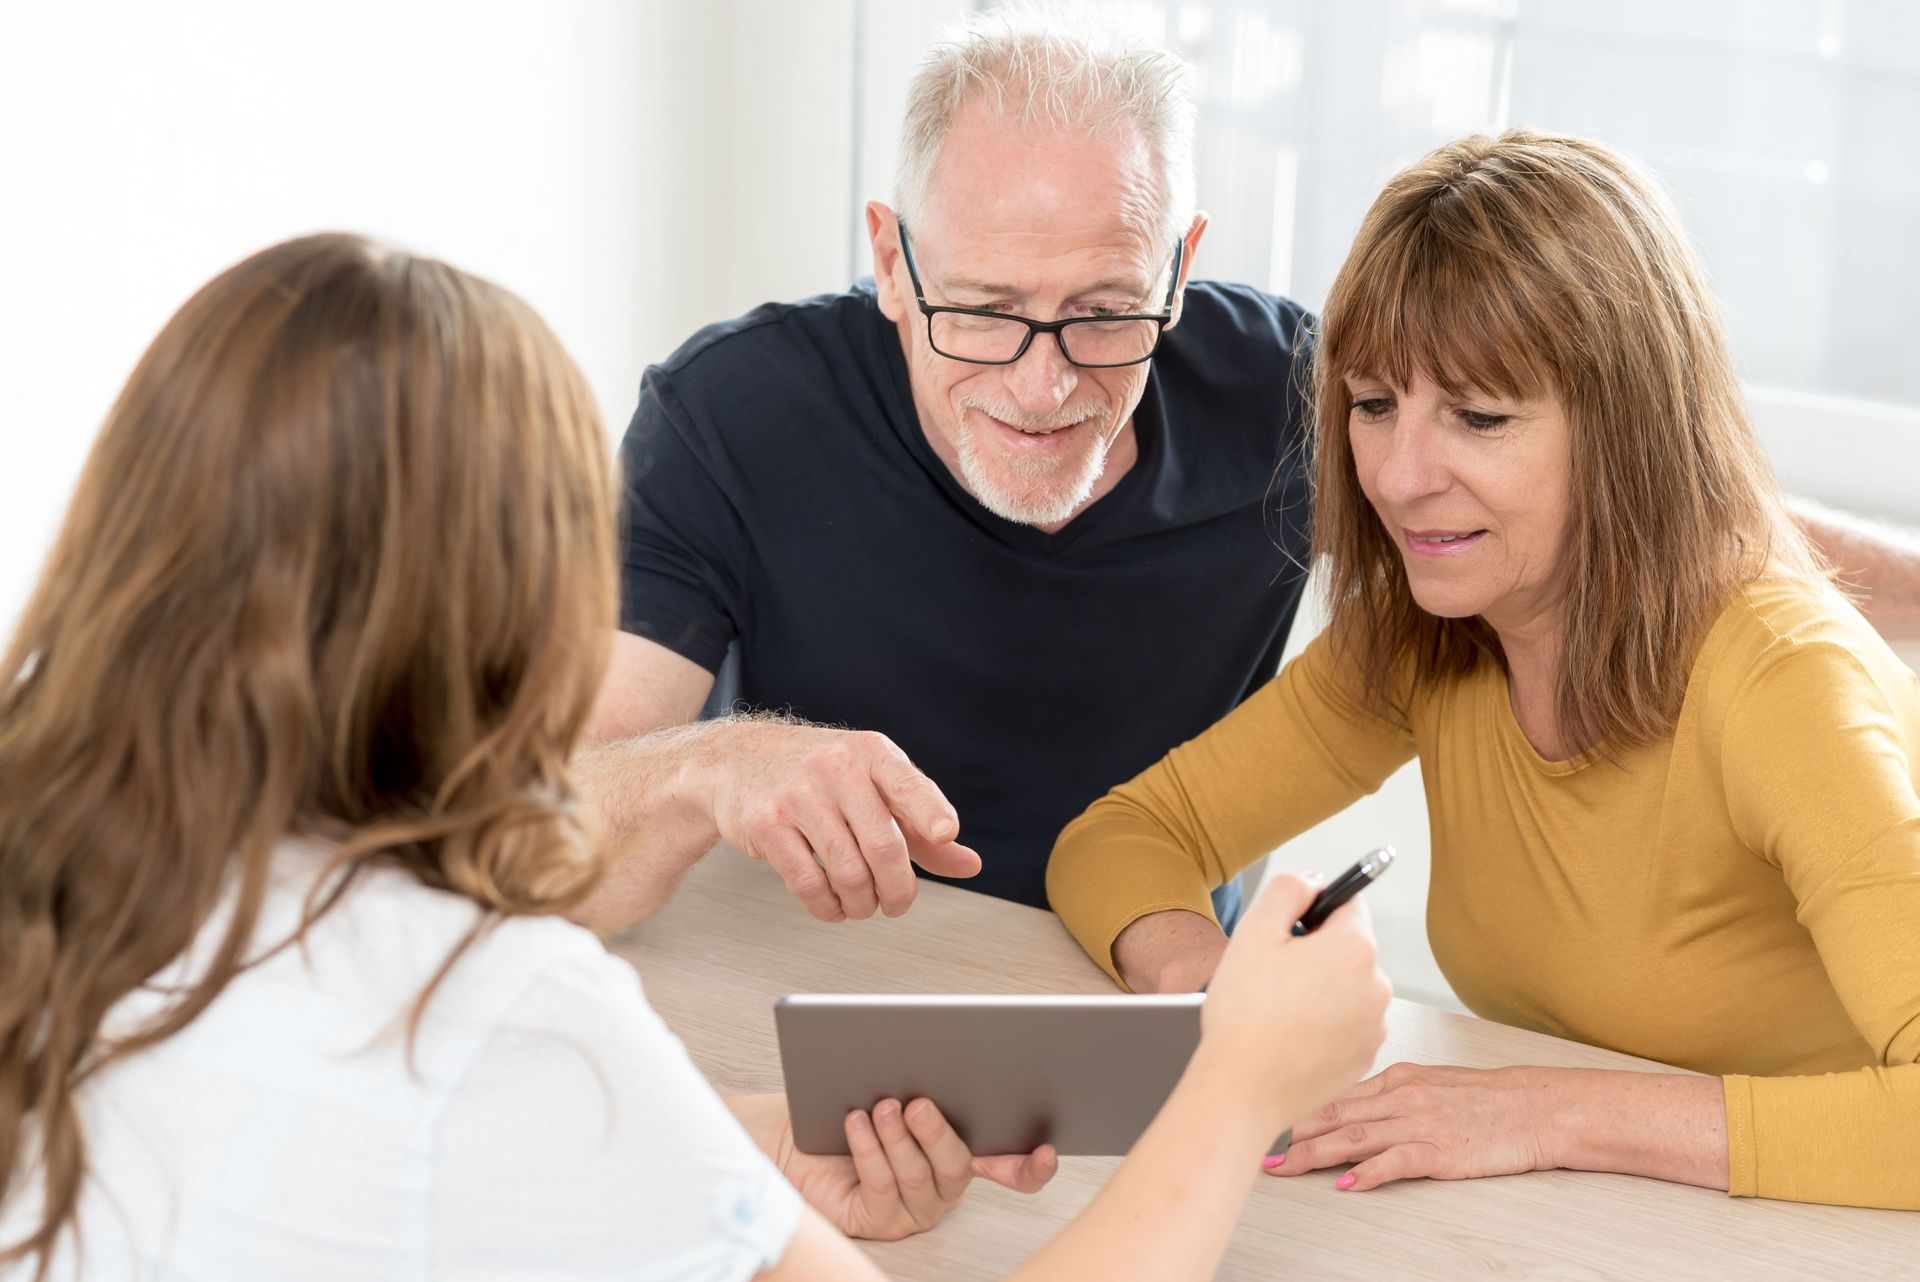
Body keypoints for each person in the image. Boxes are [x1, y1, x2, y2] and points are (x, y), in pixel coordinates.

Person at [0, 233, 1392, 1282]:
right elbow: (504, 1092)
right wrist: (1238, 1091)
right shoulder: (492, 1010)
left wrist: (741, 1154)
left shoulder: (63, 877)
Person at [574, 8, 1920, 940]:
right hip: (815, 978)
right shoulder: (733, 413)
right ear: (889, 256)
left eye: (1107, 309)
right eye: (981, 309)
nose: (1044, 383)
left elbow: (1643, 505)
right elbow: (541, 846)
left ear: (1183, 259)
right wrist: (711, 763)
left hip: (1146, 994)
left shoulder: (1294, 393)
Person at [1047, 129, 1920, 1212]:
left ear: (1628, 427)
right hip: (1593, 1221)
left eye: (1480, 416)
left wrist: (1545, 1111)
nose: (1401, 479)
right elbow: (1123, 836)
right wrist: (1209, 984)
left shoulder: (1783, 684)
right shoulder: (1426, 636)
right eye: (1373, 404)